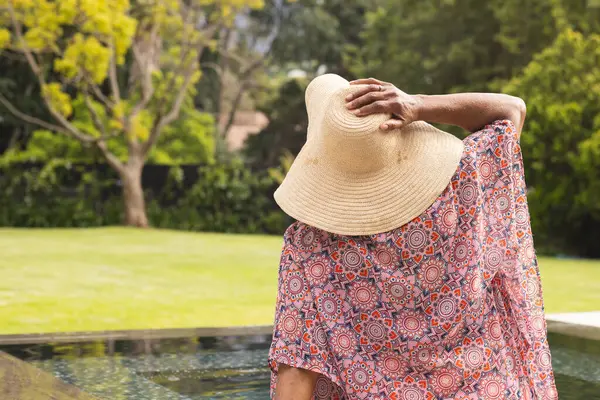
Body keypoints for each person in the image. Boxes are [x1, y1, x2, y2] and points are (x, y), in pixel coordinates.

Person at [268, 74, 558, 400]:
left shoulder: (309, 247)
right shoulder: (464, 183)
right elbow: (511, 110)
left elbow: (297, 363)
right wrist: (418, 104)